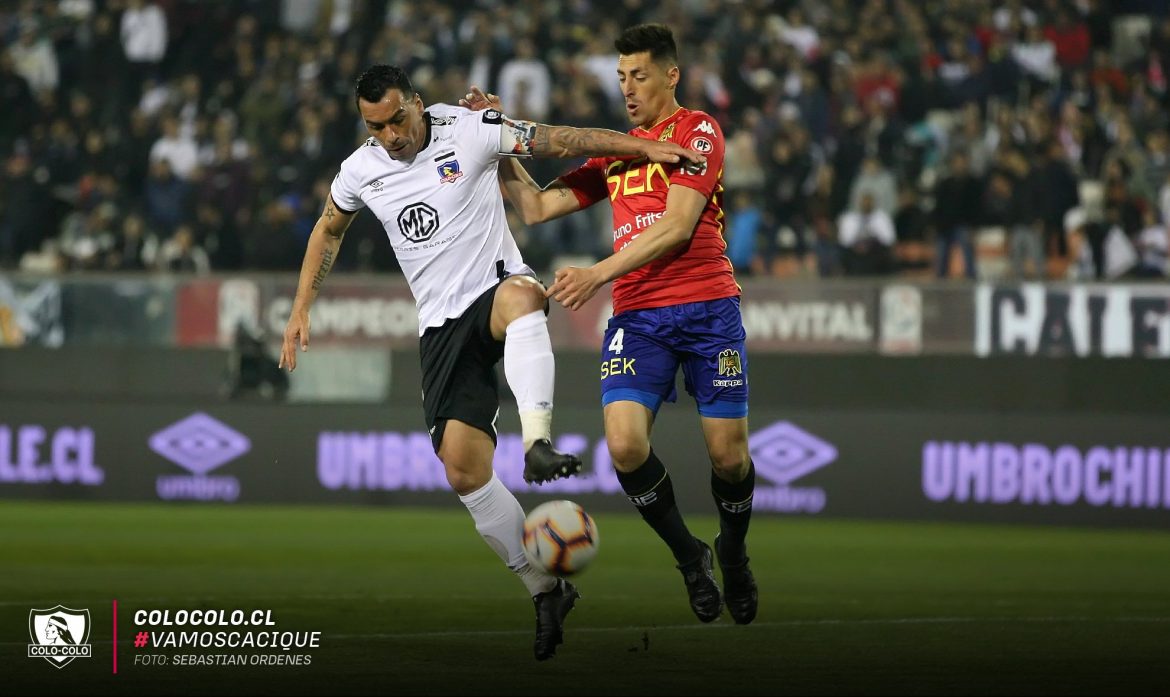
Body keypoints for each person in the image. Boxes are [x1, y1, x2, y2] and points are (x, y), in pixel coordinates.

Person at [278, 64, 704, 661]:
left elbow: (563, 138)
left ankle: (537, 443)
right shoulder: (360, 170)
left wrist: (647, 146)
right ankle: (545, 589)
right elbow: (327, 231)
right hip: (440, 325)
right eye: (376, 126)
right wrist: (301, 309)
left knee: (524, 296)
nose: (390, 135)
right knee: (462, 470)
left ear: (418, 104)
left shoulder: (471, 129)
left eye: (398, 119)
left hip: (494, 288)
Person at [463, 23, 758, 626]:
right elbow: (539, 206)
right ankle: (689, 555)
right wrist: (496, 145)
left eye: (640, 76)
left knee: (728, 460)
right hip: (639, 316)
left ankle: (733, 550)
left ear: (671, 75)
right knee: (624, 447)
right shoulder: (619, 150)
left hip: (706, 309)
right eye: (621, 76)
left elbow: (677, 227)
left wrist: (596, 273)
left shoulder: (697, 131)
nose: (627, 88)